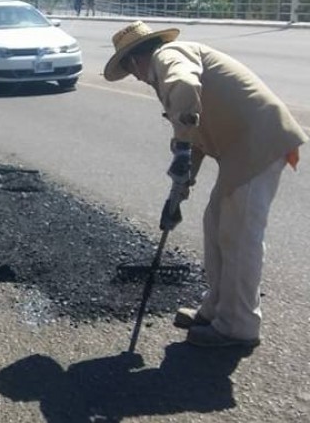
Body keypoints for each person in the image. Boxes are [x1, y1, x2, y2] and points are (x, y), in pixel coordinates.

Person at [104, 21, 307, 348]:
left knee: (239, 236)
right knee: (215, 225)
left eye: (131, 71)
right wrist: (179, 192)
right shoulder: (165, 70)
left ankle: (239, 325)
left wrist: (183, 150)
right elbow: (193, 136)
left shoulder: (168, 57)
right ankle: (216, 308)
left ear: (133, 62)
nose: (137, 79)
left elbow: (185, 88)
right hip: (241, 148)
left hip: (259, 142)